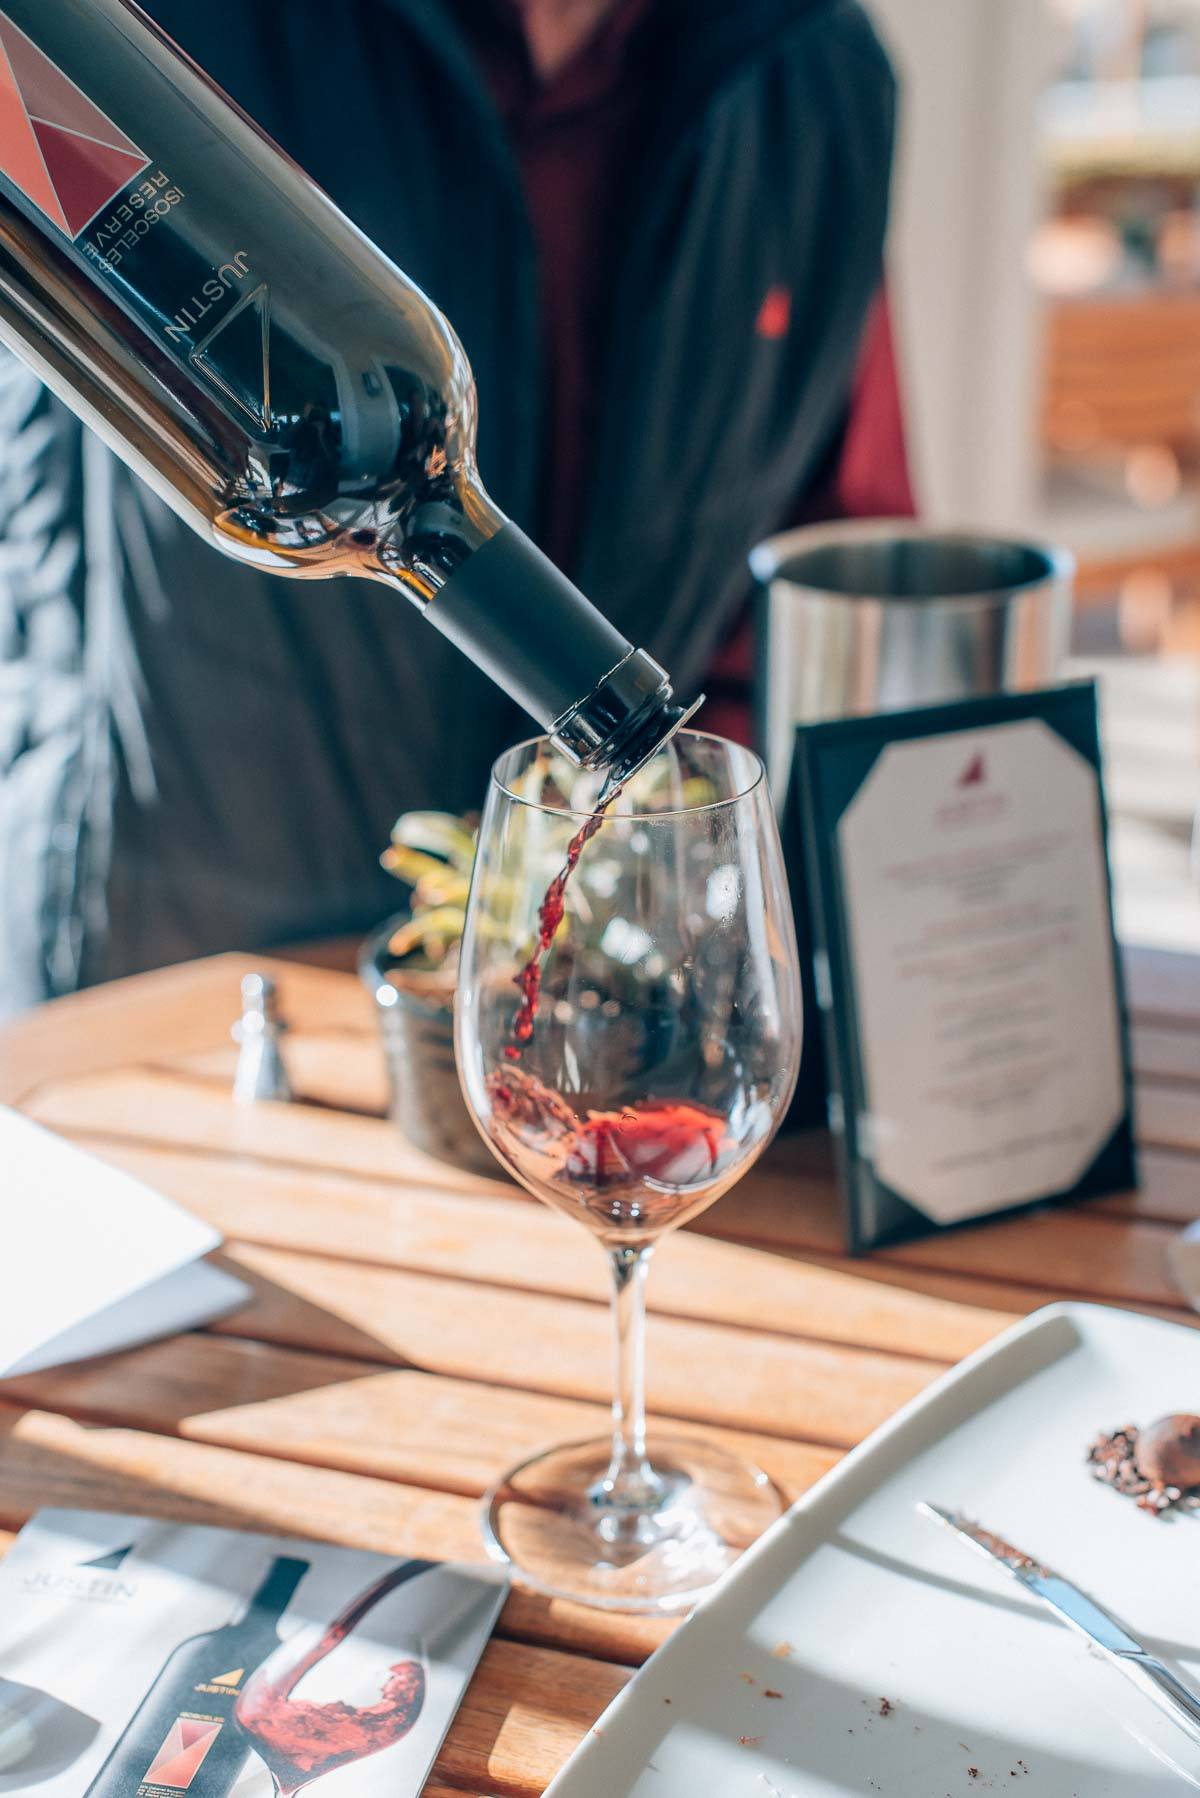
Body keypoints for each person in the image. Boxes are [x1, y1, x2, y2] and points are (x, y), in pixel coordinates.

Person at [0, 0, 912, 1019]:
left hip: (572, 989)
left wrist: (705, 879)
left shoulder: (814, 83)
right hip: (177, 962)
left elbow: (832, 549)